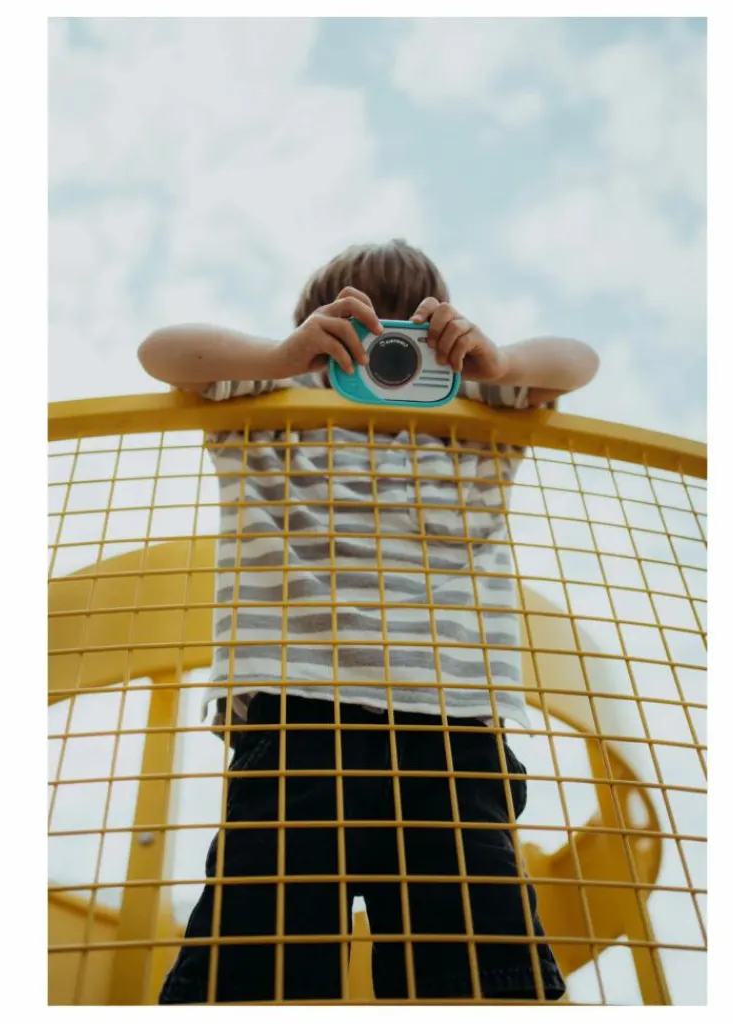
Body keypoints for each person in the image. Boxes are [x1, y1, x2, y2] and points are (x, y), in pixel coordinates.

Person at [137, 240, 599, 1003]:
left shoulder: (472, 415)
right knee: (259, 959)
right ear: (317, 331)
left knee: (483, 968)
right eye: (361, 326)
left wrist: (495, 361)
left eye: (410, 329)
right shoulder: (273, 403)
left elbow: (578, 360)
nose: (387, 347)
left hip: (454, 727)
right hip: (300, 713)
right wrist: (285, 356)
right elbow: (162, 351)